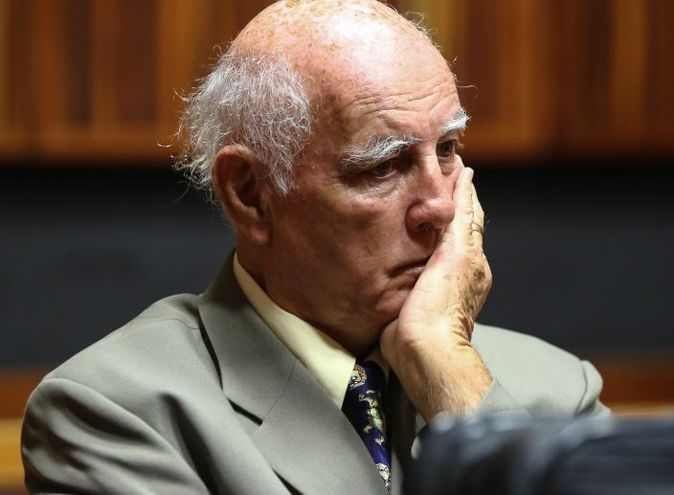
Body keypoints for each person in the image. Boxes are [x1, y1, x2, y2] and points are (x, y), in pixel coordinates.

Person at [21, 1, 607, 494]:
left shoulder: (557, 389)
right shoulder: (115, 411)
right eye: (384, 165)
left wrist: (452, 376)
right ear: (251, 194)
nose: (442, 206)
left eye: (448, 149)